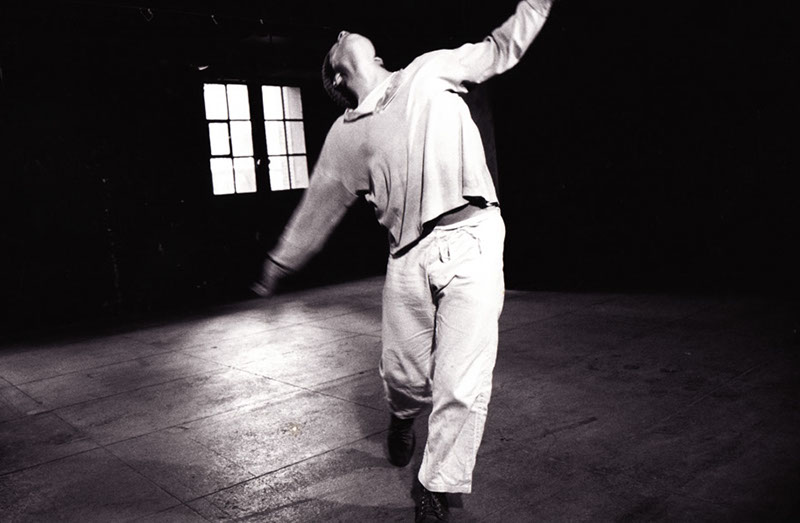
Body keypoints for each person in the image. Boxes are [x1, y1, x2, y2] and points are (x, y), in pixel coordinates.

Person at [252, 1, 552, 521]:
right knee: (403, 375)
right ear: (338, 74)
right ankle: (402, 413)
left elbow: (500, 48)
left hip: (474, 238)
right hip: (407, 256)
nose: (343, 30)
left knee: (461, 382)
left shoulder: (428, 69)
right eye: (336, 40)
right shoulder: (344, 135)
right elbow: (317, 206)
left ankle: (435, 487)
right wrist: (281, 261)